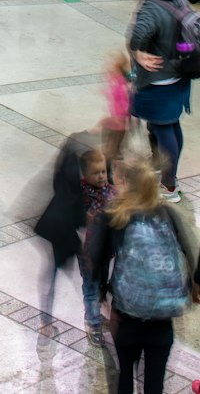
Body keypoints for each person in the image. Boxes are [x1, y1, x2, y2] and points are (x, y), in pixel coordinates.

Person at [87, 158, 200, 394]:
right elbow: (190, 251)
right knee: (154, 384)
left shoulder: (115, 215)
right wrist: (192, 286)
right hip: (162, 320)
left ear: (127, 184)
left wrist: (101, 294)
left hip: (127, 316)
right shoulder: (168, 214)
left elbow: (96, 258)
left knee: (125, 375)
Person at [129, 0, 191, 201]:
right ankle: (161, 168)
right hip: (179, 75)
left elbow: (138, 36)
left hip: (159, 80)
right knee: (170, 125)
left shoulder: (151, 7)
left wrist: (137, 52)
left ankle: (168, 185)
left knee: (164, 128)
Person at [33, 136, 85, 335]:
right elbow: (81, 218)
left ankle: (45, 320)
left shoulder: (62, 177)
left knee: (52, 273)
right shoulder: (77, 188)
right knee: (81, 275)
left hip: (54, 229)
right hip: (65, 233)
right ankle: (94, 315)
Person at [78, 147, 114, 344]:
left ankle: (96, 315)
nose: (102, 176)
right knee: (90, 287)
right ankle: (92, 322)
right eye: (96, 172)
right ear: (85, 174)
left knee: (100, 284)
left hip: (105, 251)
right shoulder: (81, 194)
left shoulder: (110, 190)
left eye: (103, 171)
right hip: (88, 254)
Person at [101, 50, 133, 165]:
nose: (107, 68)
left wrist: (123, 114)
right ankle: (115, 151)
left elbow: (125, 99)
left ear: (118, 68)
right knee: (117, 134)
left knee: (117, 135)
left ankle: (112, 153)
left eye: (110, 66)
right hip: (116, 113)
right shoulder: (113, 78)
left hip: (121, 115)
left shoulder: (123, 82)